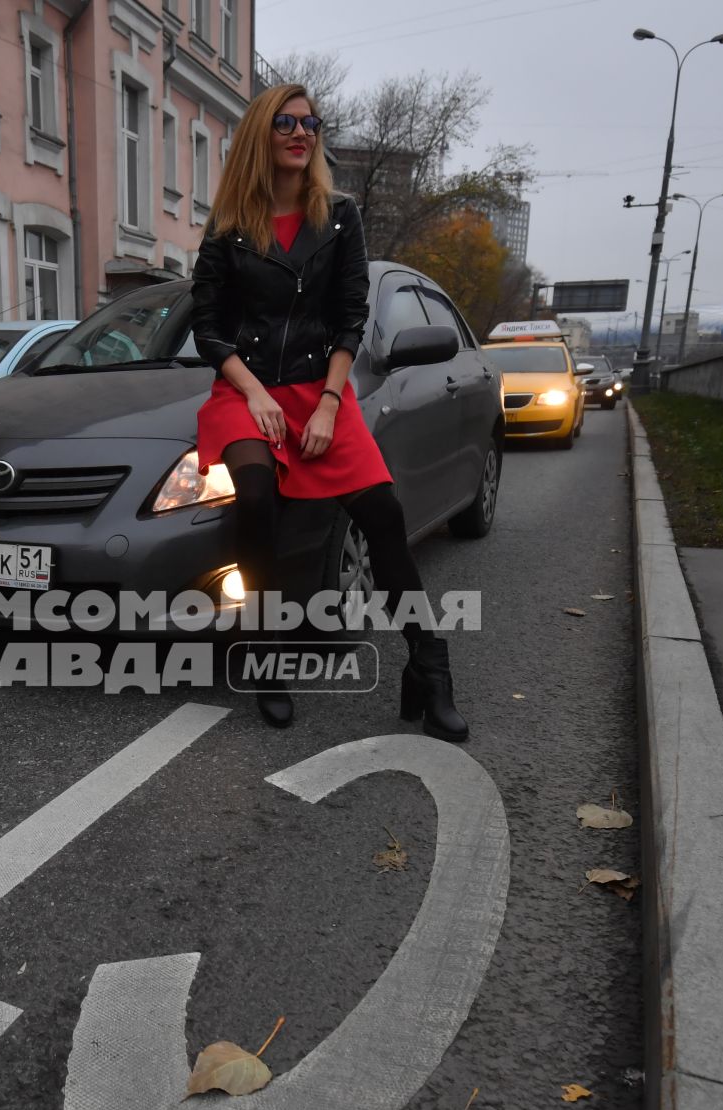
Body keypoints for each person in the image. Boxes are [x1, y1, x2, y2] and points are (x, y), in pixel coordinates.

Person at [190, 82, 468, 739]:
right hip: (245, 391)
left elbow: (350, 318)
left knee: (383, 513)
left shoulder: (339, 217)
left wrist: (329, 404)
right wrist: (255, 395)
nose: (300, 132)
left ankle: (430, 667)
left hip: (322, 391)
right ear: (262, 133)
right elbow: (209, 329)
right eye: (285, 122)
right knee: (256, 497)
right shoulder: (228, 229)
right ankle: (266, 655)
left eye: (309, 123)